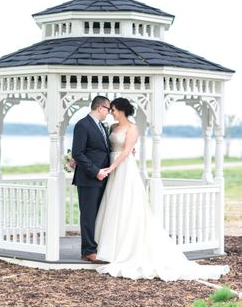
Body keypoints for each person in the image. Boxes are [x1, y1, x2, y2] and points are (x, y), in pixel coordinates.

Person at [94, 97, 229, 281]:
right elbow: (110, 147)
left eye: (114, 110)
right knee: (114, 205)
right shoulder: (112, 127)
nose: (112, 113)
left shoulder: (132, 128)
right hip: (113, 166)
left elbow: (126, 151)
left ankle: (127, 248)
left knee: (126, 205)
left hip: (124, 169)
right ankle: (112, 246)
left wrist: (112, 167)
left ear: (122, 110)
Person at [72, 95, 111, 264]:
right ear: (100, 107)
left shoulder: (102, 126)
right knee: (88, 215)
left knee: (99, 214)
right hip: (89, 178)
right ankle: (88, 251)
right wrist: (96, 172)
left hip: (104, 177)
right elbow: (78, 153)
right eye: (108, 109)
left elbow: (103, 150)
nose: (109, 113)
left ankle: (98, 247)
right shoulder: (83, 125)